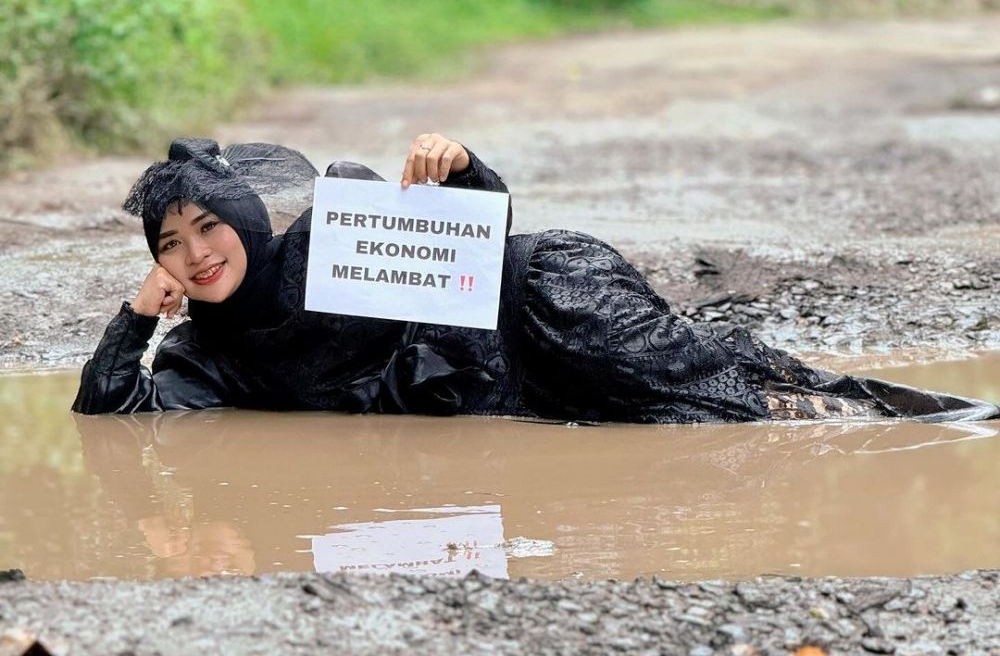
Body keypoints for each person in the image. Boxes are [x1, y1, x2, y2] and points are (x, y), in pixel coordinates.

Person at [72, 135, 1000, 424]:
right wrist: (132, 321)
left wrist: (462, 167)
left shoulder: (338, 228)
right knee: (666, 431)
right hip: (503, 397)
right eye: (169, 244)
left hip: (541, 303)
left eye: (208, 227)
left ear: (242, 220)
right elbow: (109, 424)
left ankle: (915, 410)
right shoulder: (208, 357)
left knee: (709, 384)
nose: (197, 254)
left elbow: (477, 245)